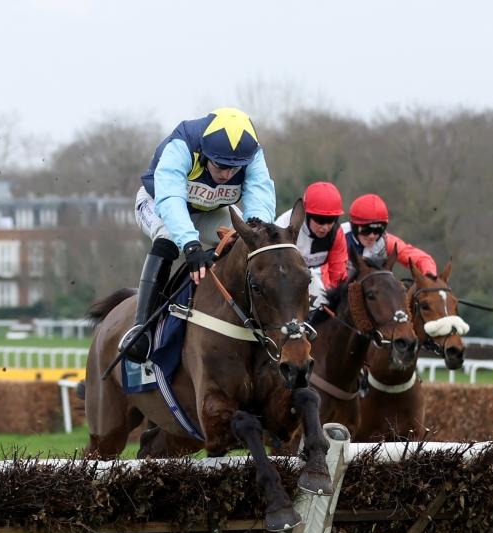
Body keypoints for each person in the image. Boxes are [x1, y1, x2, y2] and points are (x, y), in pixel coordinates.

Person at [122, 107, 276, 362]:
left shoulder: (252, 153)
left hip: (210, 211)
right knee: (169, 240)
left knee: (249, 243)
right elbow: (171, 199)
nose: (227, 175)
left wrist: (255, 230)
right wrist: (190, 245)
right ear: (204, 152)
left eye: (235, 168)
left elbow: (260, 196)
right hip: (159, 203)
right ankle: (141, 329)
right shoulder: (183, 143)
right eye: (221, 165)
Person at [276, 181, 347, 310]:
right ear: (306, 214)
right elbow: (274, 273)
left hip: (307, 274)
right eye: (320, 220)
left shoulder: (336, 233)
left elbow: (338, 277)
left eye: (332, 220)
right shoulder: (283, 227)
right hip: (280, 276)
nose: (325, 227)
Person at [342, 194, 438, 277]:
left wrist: (429, 276)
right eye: (366, 230)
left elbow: (422, 259)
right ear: (353, 225)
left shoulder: (385, 241)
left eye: (378, 230)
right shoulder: (339, 236)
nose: (372, 236)